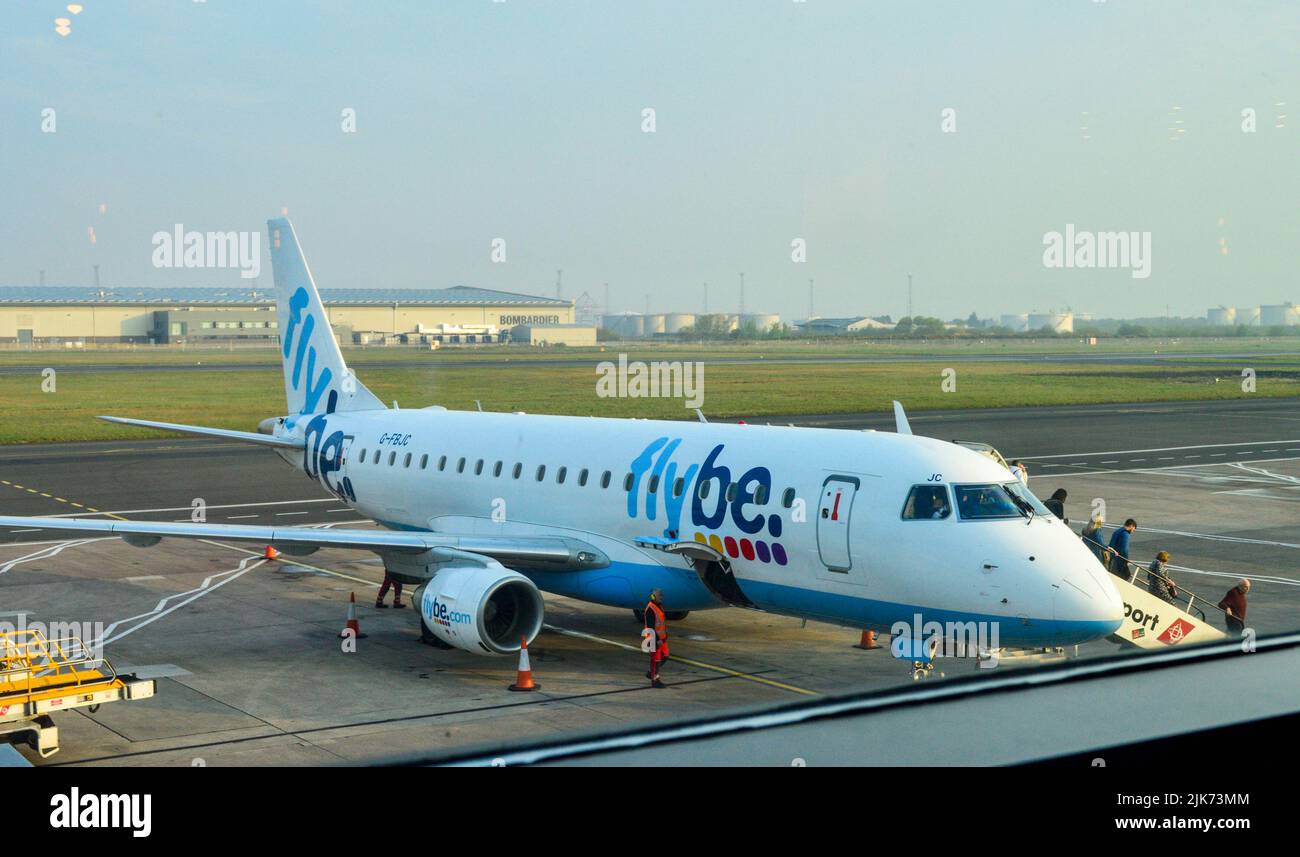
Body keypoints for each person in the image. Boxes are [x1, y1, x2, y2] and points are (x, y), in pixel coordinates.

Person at [643, 589, 670, 688]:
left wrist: (665, 633)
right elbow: (650, 626)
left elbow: (661, 622)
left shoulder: (659, 606)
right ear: (653, 597)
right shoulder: (650, 609)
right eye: (659, 596)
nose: (661, 598)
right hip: (653, 638)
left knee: (665, 655)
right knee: (656, 660)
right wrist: (657, 639)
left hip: (662, 638)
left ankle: (651, 673)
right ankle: (654, 680)